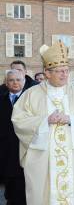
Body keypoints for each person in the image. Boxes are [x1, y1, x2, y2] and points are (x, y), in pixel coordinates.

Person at [11, 41, 74, 205]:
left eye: (66, 71)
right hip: (43, 160)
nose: (64, 75)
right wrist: (44, 121)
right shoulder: (31, 94)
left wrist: (71, 119)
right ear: (47, 72)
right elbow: (19, 120)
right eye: (60, 71)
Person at [0, 70, 26, 205]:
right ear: (6, 83)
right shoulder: (1, 99)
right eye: (11, 80)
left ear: (23, 81)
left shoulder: (30, 100)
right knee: (10, 189)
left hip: (26, 149)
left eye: (18, 80)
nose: (15, 83)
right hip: (6, 151)